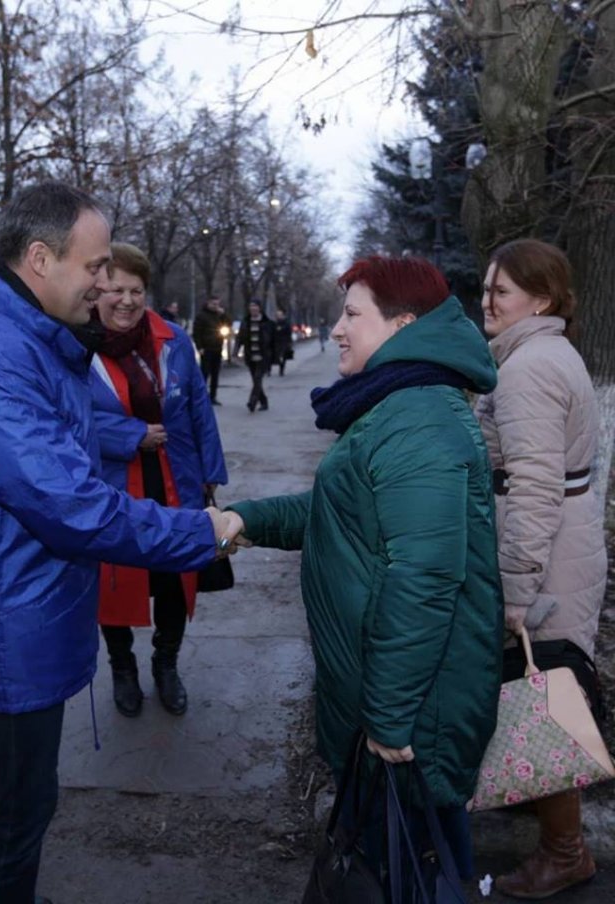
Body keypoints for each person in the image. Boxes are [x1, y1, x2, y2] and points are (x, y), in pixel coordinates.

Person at [0, 181, 237, 904]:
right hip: (5, 627)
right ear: (40, 259)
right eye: (93, 267)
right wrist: (197, 533)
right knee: (13, 816)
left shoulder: (22, 337)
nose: (102, 282)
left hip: (14, 610)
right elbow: (70, 505)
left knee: (3, 801)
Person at [224, 254, 503, 886]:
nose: (339, 329)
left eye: (353, 314)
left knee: (413, 865)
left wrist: (387, 718)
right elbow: (343, 512)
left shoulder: (419, 420)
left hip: (412, 716)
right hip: (401, 704)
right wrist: (245, 518)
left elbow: (424, 579)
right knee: (413, 859)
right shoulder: (397, 405)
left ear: (403, 325)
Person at [475, 239, 607, 900]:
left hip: (549, 556)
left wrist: (517, 588)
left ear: (543, 299)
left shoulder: (530, 369)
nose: (486, 300)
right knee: (544, 691)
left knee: (545, 695)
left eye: (501, 290)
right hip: (567, 541)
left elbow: (531, 488)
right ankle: (546, 819)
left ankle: (565, 853)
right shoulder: (539, 357)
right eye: (487, 287)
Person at [90, 243, 227, 717]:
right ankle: (122, 669)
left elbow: (197, 410)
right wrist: (127, 435)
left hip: (176, 479)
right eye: (115, 290)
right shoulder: (75, 346)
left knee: (174, 578)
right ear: (96, 291)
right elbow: (64, 420)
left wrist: (211, 475)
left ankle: (166, 666)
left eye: (136, 290)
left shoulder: (172, 338)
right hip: (110, 483)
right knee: (114, 581)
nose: (126, 300)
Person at [235, 299, 276, 412]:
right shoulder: (246, 322)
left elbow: (273, 341)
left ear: (259, 308)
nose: (253, 308)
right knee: (256, 381)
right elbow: (240, 338)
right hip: (250, 355)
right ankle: (264, 401)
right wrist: (235, 352)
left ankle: (252, 402)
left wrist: (275, 357)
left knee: (258, 378)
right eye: (251, 306)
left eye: (255, 306)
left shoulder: (267, 323)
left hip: (263, 356)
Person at [192, 295, 229, 405]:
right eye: (213, 304)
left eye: (217, 304)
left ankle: (213, 396)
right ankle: (201, 396)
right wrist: (200, 347)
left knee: (215, 374)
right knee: (204, 373)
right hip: (207, 348)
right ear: (208, 303)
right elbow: (197, 332)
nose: (215, 306)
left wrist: (224, 315)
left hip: (217, 348)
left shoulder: (219, 315)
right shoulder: (202, 316)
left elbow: (228, 325)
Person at [272, 307, 294, 376]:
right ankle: (269, 368)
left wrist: (290, 342)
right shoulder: (275, 323)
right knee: (275, 355)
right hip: (276, 342)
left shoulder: (286, 323)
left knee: (283, 356)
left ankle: (281, 369)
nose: (279, 316)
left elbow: (289, 332)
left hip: (284, 342)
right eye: (278, 315)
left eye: (280, 315)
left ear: (283, 315)